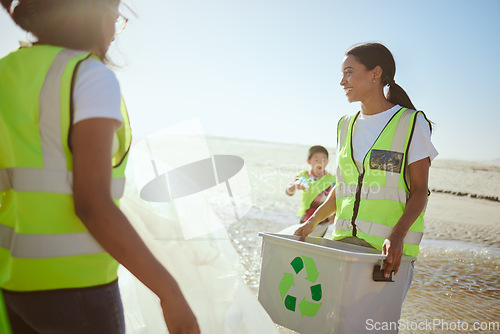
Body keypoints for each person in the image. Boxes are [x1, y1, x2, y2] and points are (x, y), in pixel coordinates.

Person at [0, 1, 200, 333]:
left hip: (14, 283)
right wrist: (170, 293)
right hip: (77, 288)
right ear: (96, 16)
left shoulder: (7, 71)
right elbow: (92, 205)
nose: (113, 33)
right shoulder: (89, 76)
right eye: (116, 18)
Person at [294, 42, 438, 285]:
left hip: (386, 252)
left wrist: (398, 235)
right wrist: (312, 222)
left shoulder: (410, 123)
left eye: (349, 72)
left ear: (376, 73)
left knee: (374, 323)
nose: (342, 82)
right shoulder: (345, 125)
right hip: (341, 245)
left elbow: (420, 190)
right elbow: (343, 188)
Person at [286, 145, 336, 228]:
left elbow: (337, 198)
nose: (320, 163)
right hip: (305, 216)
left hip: (322, 219)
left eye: (323, 160)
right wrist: (294, 187)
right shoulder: (303, 176)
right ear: (309, 161)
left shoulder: (332, 179)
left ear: (327, 162)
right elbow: (288, 191)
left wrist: (335, 215)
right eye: (316, 160)